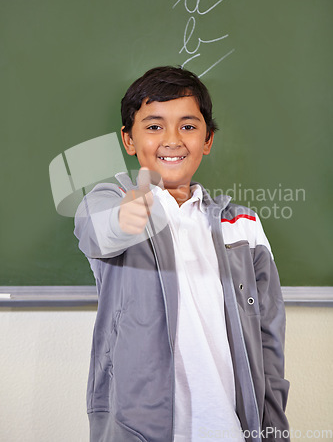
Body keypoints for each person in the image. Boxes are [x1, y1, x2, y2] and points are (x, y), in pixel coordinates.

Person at [74, 66, 290, 442]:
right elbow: (95, 231)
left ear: (207, 140)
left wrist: (272, 428)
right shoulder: (111, 202)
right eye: (154, 126)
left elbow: (269, 339)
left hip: (230, 429)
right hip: (138, 429)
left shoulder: (243, 224)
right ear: (128, 139)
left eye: (188, 126)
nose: (172, 140)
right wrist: (124, 219)